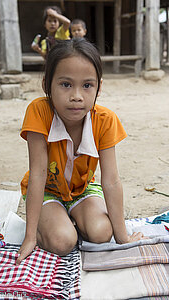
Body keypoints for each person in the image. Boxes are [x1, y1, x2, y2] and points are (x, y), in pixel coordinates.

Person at [16, 39, 146, 264]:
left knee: (102, 234)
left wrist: (122, 236)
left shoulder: (105, 120)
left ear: (99, 87)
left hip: (82, 188)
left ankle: (71, 217)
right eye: (66, 84)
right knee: (62, 242)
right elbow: (38, 173)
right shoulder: (38, 112)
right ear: (47, 84)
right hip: (48, 191)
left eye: (87, 85)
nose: (77, 96)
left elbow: (112, 180)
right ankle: (52, 224)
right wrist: (29, 237)